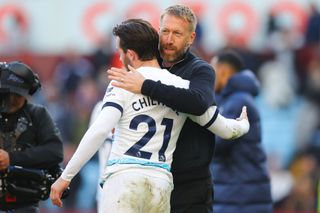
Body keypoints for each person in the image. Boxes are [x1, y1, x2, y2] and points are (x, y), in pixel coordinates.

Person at [50, 19, 249, 213]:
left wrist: (65, 177)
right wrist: (242, 125)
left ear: (131, 54)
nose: (120, 59)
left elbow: (99, 130)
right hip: (160, 183)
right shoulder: (182, 88)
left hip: (123, 179)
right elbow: (222, 127)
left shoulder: (122, 82)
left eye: (120, 53)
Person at [107, 5, 221, 212]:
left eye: (177, 33)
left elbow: (198, 103)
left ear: (191, 37)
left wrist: (146, 86)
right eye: (165, 31)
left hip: (190, 184)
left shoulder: (200, 70)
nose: (168, 39)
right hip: (149, 179)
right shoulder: (146, 64)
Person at [209, 50, 273, 213]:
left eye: (212, 69)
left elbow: (218, 142)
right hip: (239, 191)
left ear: (223, 70)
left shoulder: (238, 102)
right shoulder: (233, 99)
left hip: (239, 194)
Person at [0, 61, 64, 213]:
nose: (15, 99)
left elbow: (55, 152)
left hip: (24, 201)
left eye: (19, 94)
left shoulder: (37, 115)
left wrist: (11, 158)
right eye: (11, 93)